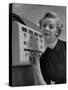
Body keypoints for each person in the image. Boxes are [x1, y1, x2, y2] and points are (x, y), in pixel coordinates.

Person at [30, 11, 66, 85]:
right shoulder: (42, 57)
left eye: (51, 27)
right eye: (44, 25)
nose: (46, 29)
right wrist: (36, 66)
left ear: (57, 31)